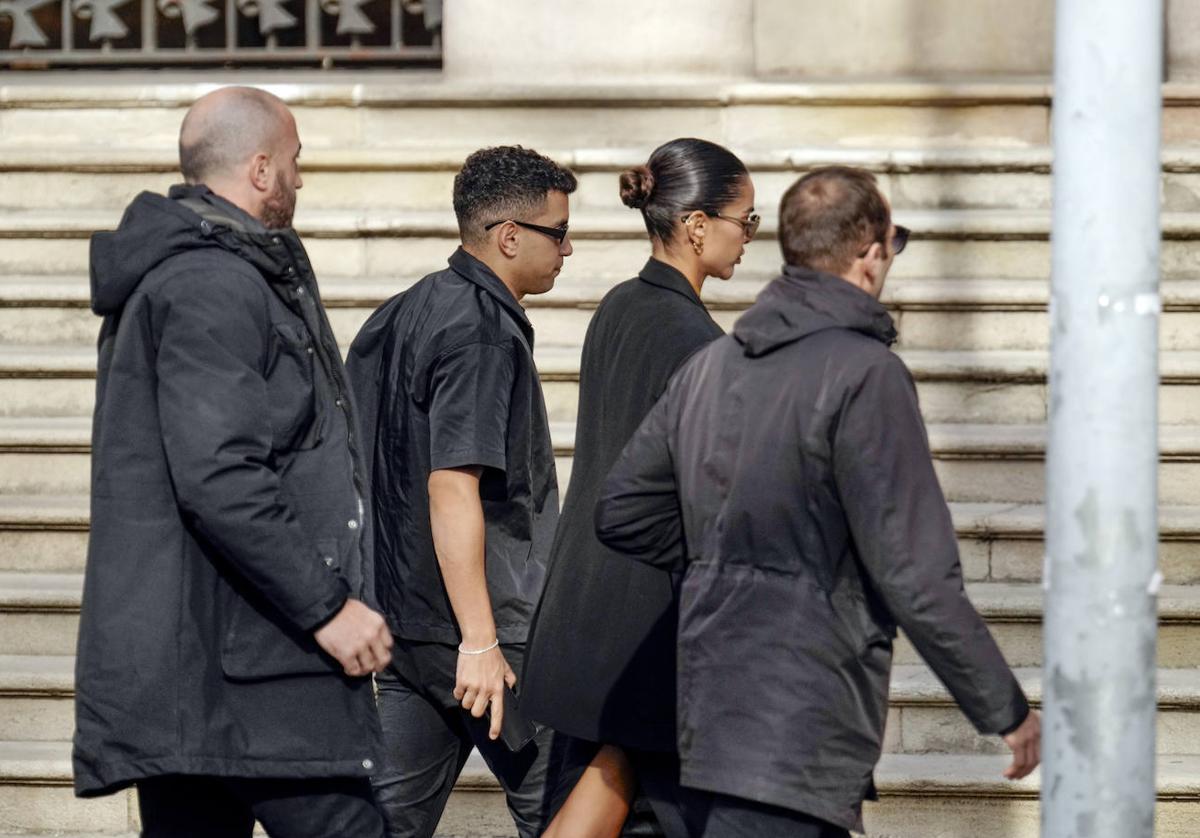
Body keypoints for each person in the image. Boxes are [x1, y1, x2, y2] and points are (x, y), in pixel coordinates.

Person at [595, 166, 1041, 838]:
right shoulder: (867, 375)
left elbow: (622, 509)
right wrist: (1006, 710)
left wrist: (722, 560)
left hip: (707, 714)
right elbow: (915, 575)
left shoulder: (710, 367)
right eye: (896, 243)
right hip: (797, 727)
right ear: (869, 255)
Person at [74, 86, 393, 837]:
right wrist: (330, 607)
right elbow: (220, 475)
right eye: (294, 161)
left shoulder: (206, 273)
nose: (300, 180)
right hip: (248, 667)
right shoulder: (210, 282)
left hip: (218, 672)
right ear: (259, 169)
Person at [521, 138, 758, 838]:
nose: (749, 238)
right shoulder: (702, 345)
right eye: (745, 220)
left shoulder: (619, 306)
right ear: (695, 224)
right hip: (650, 632)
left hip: (582, 611)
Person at [345, 145, 577, 838]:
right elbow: (451, 485)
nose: (569, 249)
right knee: (564, 811)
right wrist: (480, 639)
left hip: (407, 626)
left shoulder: (404, 310)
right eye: (559, 233)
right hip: (486, 634)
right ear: (510, 237)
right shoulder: (479, 330)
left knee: (387, 823)